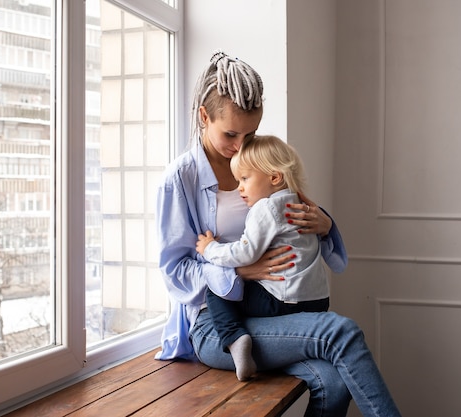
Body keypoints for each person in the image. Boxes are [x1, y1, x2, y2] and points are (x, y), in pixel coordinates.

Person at [155, 50, 402, 417]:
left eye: (251, 132)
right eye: (231, 133)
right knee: (341, 332)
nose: (242, 144)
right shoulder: (181, 179)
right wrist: (239, 270)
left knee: (333, 384)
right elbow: (175, 272)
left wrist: (325, 224)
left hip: (277, 309)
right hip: (220, 325)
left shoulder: (260, 162)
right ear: (204, 117)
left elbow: (297, 228)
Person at [196, 134, 339, 381]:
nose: (239, 187)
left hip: (282, 301)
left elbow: (245, 252)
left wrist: (210, 249)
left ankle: (235, 339)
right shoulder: (301, 205)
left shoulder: (266, 208)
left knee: (217, 287)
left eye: (244, 178)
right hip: (316, 301)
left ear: (274, 177)